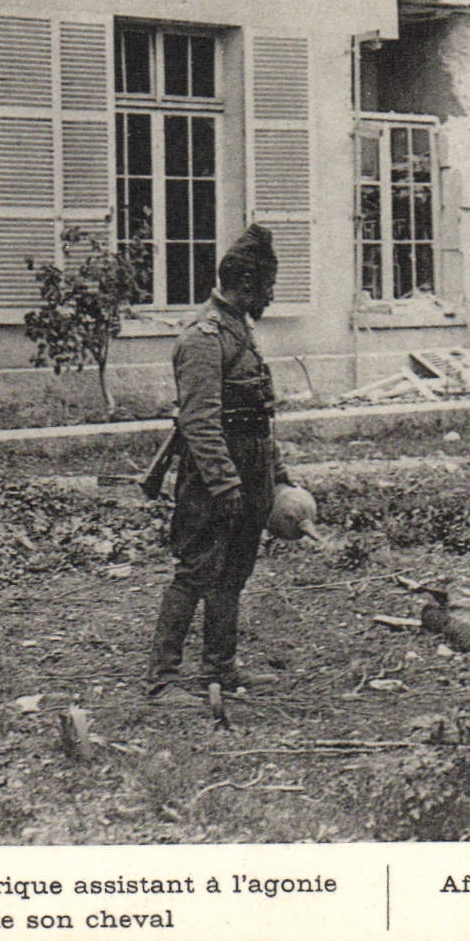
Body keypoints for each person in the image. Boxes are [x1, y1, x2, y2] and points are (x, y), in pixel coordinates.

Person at [149, 223, 292, 697]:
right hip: (213, 477)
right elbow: (200, 422)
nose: (272, 296)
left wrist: (279, 478)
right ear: (247, 284)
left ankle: (219, 668)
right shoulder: (204, 337)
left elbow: (258, 417)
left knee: (234, 571)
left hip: (249, 470)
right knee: (196, 571)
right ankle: (164, 675)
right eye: (268, 286)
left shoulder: (239, 332)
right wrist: (225, 484)